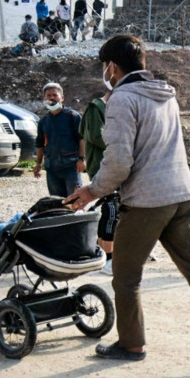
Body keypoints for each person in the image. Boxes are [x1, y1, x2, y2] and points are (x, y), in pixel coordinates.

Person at [65, 35, 190, 364]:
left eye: (105, 67)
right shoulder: (165, 95)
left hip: (147, 200)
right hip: (182, 194)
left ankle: (131, 344)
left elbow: (118, 162)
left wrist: (91, 190)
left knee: (126, 277)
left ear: (112, 67)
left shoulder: (121, 99)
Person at [80, 89, 117, 276]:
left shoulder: (111, 109)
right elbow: (96, 136)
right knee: (111, 210)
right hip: (102, 168)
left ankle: (110, 252)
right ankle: (107, 259)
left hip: (114, 166)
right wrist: (123, 143)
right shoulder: (96, 108)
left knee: (116, 210)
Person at [32, 82, 85, 197]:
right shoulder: (44, 121)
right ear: (44, 98)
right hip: (52, 169)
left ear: (62, 98)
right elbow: (40, 143)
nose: (52, 98)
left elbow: (82, 139)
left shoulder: (73, 117)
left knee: (74, 201)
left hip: (71, 167)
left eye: (55, 95)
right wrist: (38, 164)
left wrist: (82, 159)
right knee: (57, 203)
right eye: (48, 95)